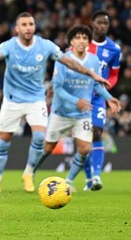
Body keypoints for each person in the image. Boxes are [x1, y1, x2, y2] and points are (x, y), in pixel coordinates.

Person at [0, 12, 110, 193]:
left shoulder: (45, 45)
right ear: (17, 29)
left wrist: (91, 74)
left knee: (39, 137)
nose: (28, 27)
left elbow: (70, 62)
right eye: (24, 24)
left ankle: (28, 173)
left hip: (36, 99)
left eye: (31, 24)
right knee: (3, 141)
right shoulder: (9, 45)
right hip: (12, 100)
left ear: (34, 27)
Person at [35, 25, 121, 191]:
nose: (82, 41)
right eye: (78, 38)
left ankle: (68, 181)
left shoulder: (94, 60)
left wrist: (109, 99)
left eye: (85, 38)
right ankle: (30, 173)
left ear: (89, 42)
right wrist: (76, 101)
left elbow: (96, 85)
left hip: (82, 114)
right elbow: (57, 88)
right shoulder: (63, 59)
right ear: (71, 42)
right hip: (61, 112)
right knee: (47, 148)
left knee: (84, 148)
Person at [81, 10, 122, 191]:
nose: (103, 26)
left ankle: (97, 176)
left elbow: (114, 75)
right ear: (92, 23)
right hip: (80, 97)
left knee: (97, 132)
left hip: (98, 98)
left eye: (106, 23)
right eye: (100, 22)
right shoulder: (81, 44)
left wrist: (106, 87)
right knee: (81, 140)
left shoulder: (114, 49)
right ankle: (89, 179)